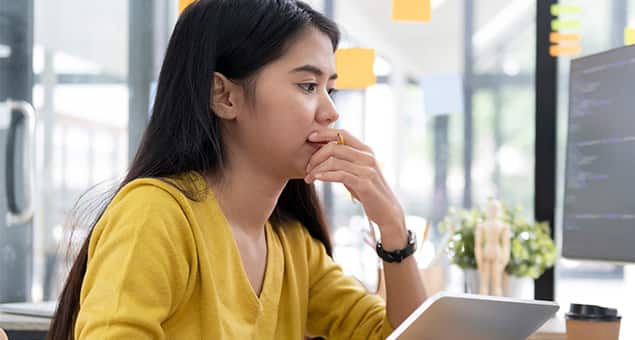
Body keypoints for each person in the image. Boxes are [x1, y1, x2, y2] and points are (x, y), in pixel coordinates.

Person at [46, 1, 426, 339]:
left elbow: (402, 336)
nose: (330, 112)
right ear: (223, 96)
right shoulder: (155, 216)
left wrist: (392, 228)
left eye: (331, 89)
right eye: (308, 86)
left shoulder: (292, 246)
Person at [474, 199, 511, 296]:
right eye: (491, 209)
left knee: (496, 283)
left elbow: (506, 245)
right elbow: (478, 244)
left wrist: (505, 259)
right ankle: (483, 303)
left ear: (499, 211)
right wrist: (479, 258)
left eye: (495, 209)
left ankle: (497, 303)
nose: (493, 211)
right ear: (487, 210)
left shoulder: (503, 226)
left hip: (497, 254)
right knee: (484, 282)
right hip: (487, 254)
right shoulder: (482, 226)